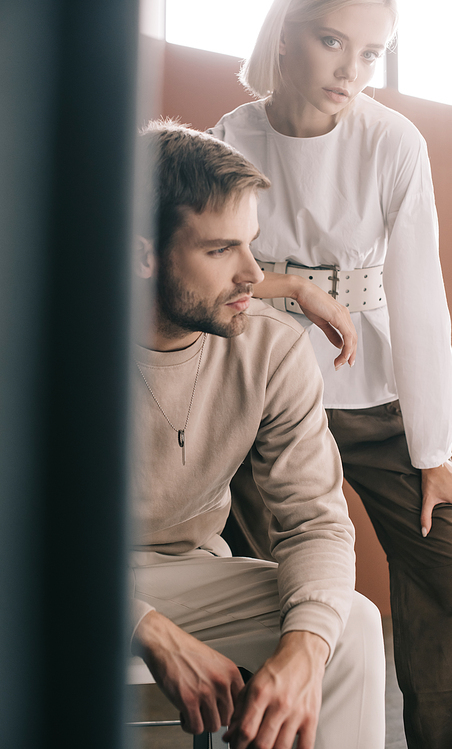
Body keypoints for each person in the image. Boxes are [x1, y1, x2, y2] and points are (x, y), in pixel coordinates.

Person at [208, 1, 452, 746]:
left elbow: (418, 295)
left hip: (375, 392)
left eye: (372, 53)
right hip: (262, 394)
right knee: (279, 595)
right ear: (286, 38)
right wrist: (294, 289)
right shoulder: (231, 137)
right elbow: (207, 270)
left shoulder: (393, 141)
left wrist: (435, 449)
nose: (353, 69)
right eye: (332, 41)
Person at [130, 120, 385, 749]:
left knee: (347, 623)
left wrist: (304, 648)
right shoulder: (44, 337)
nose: (252, 273)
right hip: (45, 581)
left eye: (253, 244)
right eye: (221, 251)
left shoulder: (272, 348)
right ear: (141, 254)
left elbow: (316, 522)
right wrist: (148, 628)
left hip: (185, 570)